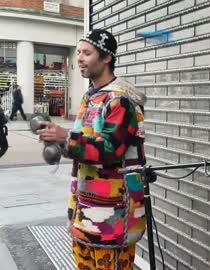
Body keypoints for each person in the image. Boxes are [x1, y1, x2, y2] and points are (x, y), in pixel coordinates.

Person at [36, 29, 147, 270]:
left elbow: (110, 150)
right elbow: (84, 146)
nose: (80, 58)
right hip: (84, 212)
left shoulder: (121, 100)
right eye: (78, 52)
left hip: (114, 218)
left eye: (87, 53)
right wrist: (58, 141)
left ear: (106, 58)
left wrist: (66, 137)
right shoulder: (91, 97)